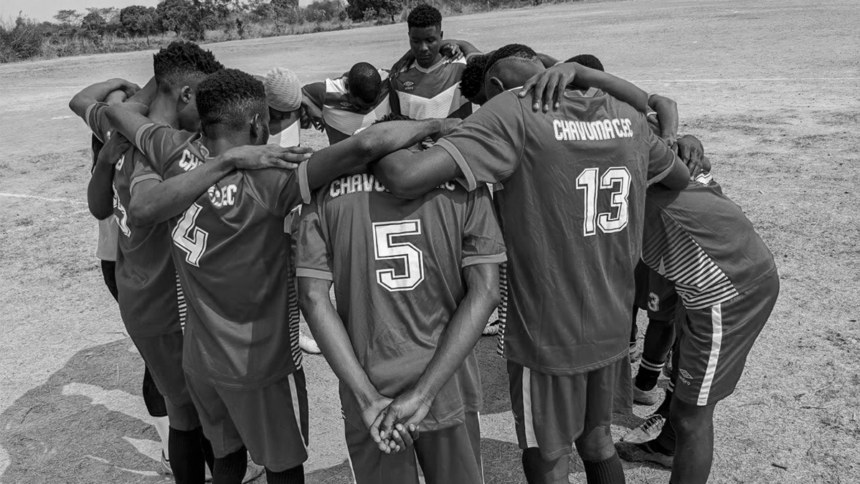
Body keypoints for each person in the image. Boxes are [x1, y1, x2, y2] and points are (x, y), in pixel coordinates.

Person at [105, 66, 460, 483]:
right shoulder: (275, 178)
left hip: (200, 357)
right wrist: (438, 123)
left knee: (227, 455)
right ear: (258, 124)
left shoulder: (170, 148)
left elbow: (118, 114)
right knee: (285, 467)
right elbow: (365, 146)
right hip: (259, 364)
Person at [370, 46, 691, 484]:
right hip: (614, 320)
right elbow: (679, 176)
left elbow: (405, 177)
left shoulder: (512, 110)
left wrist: (413, 131)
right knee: (597, 442)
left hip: (547, 334)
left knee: (545, 459)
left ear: (498, 87)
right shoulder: (625, 115)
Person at [297, 113, 506, 483]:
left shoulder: (324, 193)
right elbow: (487, 292)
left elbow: (313, 300)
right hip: (446, 384)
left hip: (370, 393)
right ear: (421, 146)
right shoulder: (463, 185)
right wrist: (424, 395)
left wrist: (366, 399)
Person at [616, 150, 779, 484]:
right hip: (710, 281)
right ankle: (666, 444)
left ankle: (670, 445)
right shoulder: (648, 144)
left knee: (691, 417)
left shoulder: (631, 151)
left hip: (726, 290)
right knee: (685, 396)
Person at [68, 78, 175, 478]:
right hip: (126, 261)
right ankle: (171, 448)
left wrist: (116, 86)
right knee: (156, 359)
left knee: (161, 355)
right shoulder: (123, 142)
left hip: (123, 260)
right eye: (124, 103)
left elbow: (82, 100)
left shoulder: (111, 137)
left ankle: (178, 441)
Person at [261, 67, 321, 355]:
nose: (283, 121)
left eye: (289, 114)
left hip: (290, 206)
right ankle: (276, 333)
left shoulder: (291, 108)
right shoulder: (252, 128)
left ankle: (293, 330)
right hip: (263, 209)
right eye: (277, 115)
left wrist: (304, 104)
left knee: (293, 272)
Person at [389, 4, 480, 120]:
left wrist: (458, 43)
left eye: (430, 40)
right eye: (416, 41)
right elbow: (396, 124)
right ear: (409, 37)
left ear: (441, 36)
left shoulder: (462, 67)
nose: (423, 48)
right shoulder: (398, 77)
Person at [301, 62, 392, 145]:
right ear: (348, 88)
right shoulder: (329, 91)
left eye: (371, 105)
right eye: (359, 106)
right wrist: (309, 104)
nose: (365, 111)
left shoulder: (387, 79)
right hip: (344, 157)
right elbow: (295, 93)